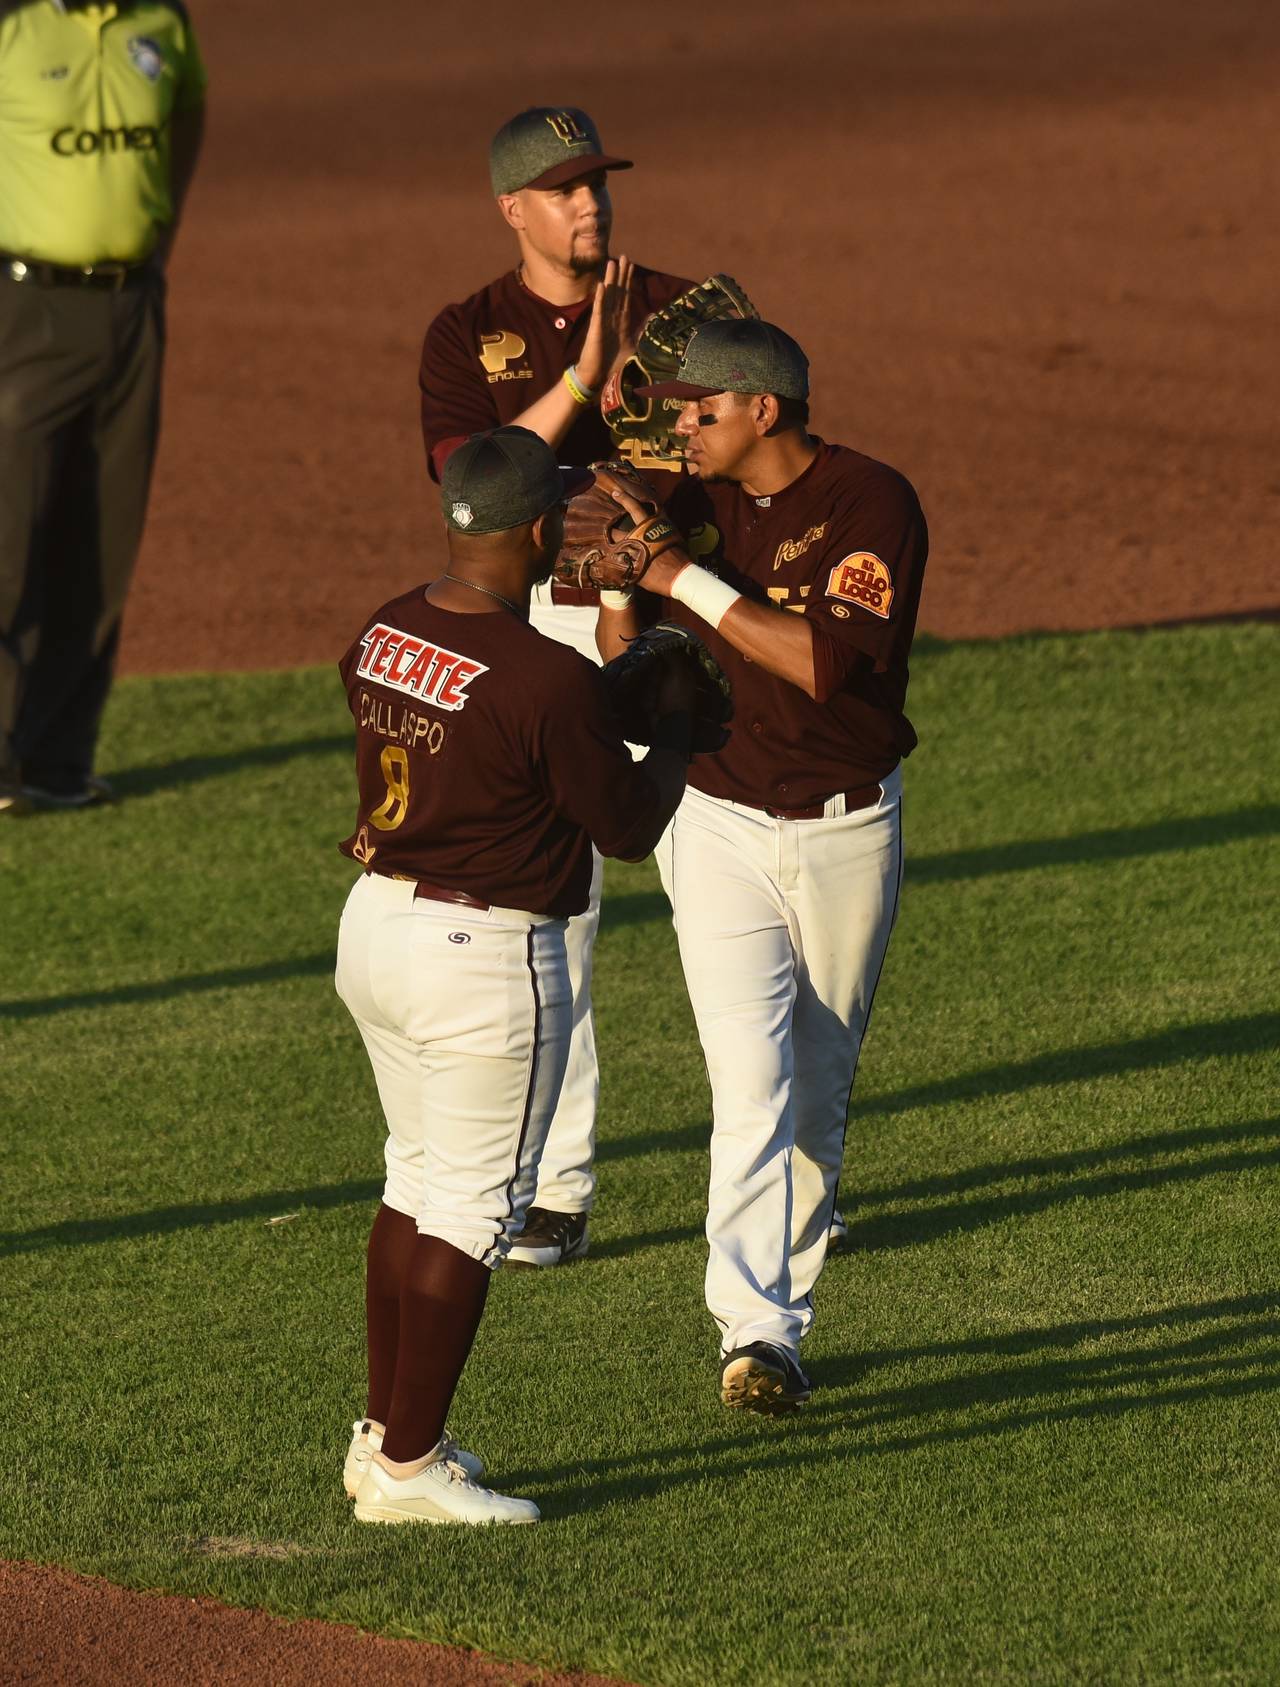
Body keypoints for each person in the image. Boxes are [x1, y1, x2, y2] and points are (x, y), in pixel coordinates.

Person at [335, 426, 699, 1525]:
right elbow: (626, 826)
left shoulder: (383, 626)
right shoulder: (544, 675)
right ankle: (407, 1468)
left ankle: (384, 1437)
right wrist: (676, 737)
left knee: (413, 1179)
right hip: (483, 959)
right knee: (473, 1208)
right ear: (538, 530)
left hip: (377, 929)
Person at [598, 320, 929, 1413]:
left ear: (763, 412)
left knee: (818, 1087)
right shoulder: (685, 506)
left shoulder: (872, 504)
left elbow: (822, 664)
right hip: (720, 821)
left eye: (699, 409)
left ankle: (782, 1285)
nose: (679, 426)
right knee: (751, 1076)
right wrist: (614, 588)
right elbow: (629, 661)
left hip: (845, 827)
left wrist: (676, 574)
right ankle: (758, 1332)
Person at [417, 105, 692, 1267]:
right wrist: (582, 385)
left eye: (599, 184)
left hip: (676, 615)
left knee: (728, 905)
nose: (591, 204)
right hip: (542, 633)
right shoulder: (463, 332)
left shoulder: (678, 312)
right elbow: (476, 486)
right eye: (564, 188)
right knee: (561, 906)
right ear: (511, 209)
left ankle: (789, 1184)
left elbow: (740, 448)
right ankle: (555, 1189)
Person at [0, 0, 206, 812]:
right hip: (24, 305)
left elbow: (187, 107)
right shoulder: (13, 25)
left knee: (103, 534)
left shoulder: (161, 21)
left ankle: (55, 761)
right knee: (8, 533)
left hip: (131, 308)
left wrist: (164, 224)